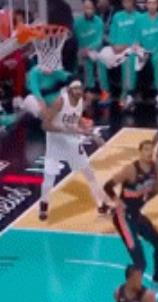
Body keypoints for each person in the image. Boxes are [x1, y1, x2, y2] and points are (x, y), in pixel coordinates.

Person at [103, 140, 158, 282]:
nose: (149, 153)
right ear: (139, 152)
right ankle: (129, 290)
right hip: (123, 218)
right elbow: (107, 186)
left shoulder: (155, 168)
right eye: (146, 149)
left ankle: (157, 278)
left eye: (151, 150)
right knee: (140, 263)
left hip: (136, 215)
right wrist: (116, 200)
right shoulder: (130, 170)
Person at [40, 80, 108, 221]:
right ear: (69, 90)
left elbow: (76, 119)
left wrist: (92, 134)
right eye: (75, 88)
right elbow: (45, 125)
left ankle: (101, 204)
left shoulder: (80, 101)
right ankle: (44, 205)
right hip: (55, 141)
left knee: (88, 172)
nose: (78, 91)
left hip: (71, 141)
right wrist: (62, 129)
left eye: (80, 88)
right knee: (49, 178)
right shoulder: (60, 102)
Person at [74, 0, 110, 105]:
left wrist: (89, 49)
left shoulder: (99, 22)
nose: (88, 10)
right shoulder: (77, 23)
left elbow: (99, 40)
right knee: (86, 62)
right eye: (86, 8)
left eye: (90, 8)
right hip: (82, 51)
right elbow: (74, 38)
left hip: (96, 51)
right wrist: (81, 50)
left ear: (94, 9)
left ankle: (105, 92)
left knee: (100, 61)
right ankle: (89, 92)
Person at [135, 0, 158, 111]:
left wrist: (151, 52)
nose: (152, 5)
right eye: (149, 3)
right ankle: (131, 93)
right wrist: (140, 50)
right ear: (146, 5)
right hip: (143, 51)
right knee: (132, 58)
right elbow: (137, 39)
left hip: (157, 51)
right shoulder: (140, 19)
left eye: (154, 3)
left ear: (157, 5)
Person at [108, 0, 142, 109]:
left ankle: (127, 92)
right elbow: (112, 35)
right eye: (125, 2)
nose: (127, 4)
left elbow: (139, 38)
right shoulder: (117, 16)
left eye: (129, 1)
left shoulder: (139, 17)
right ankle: (105, 91)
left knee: (128, 57)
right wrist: (114, 46)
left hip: (132, 49)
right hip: (116, 48)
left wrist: (125, 46)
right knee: (100, 59)